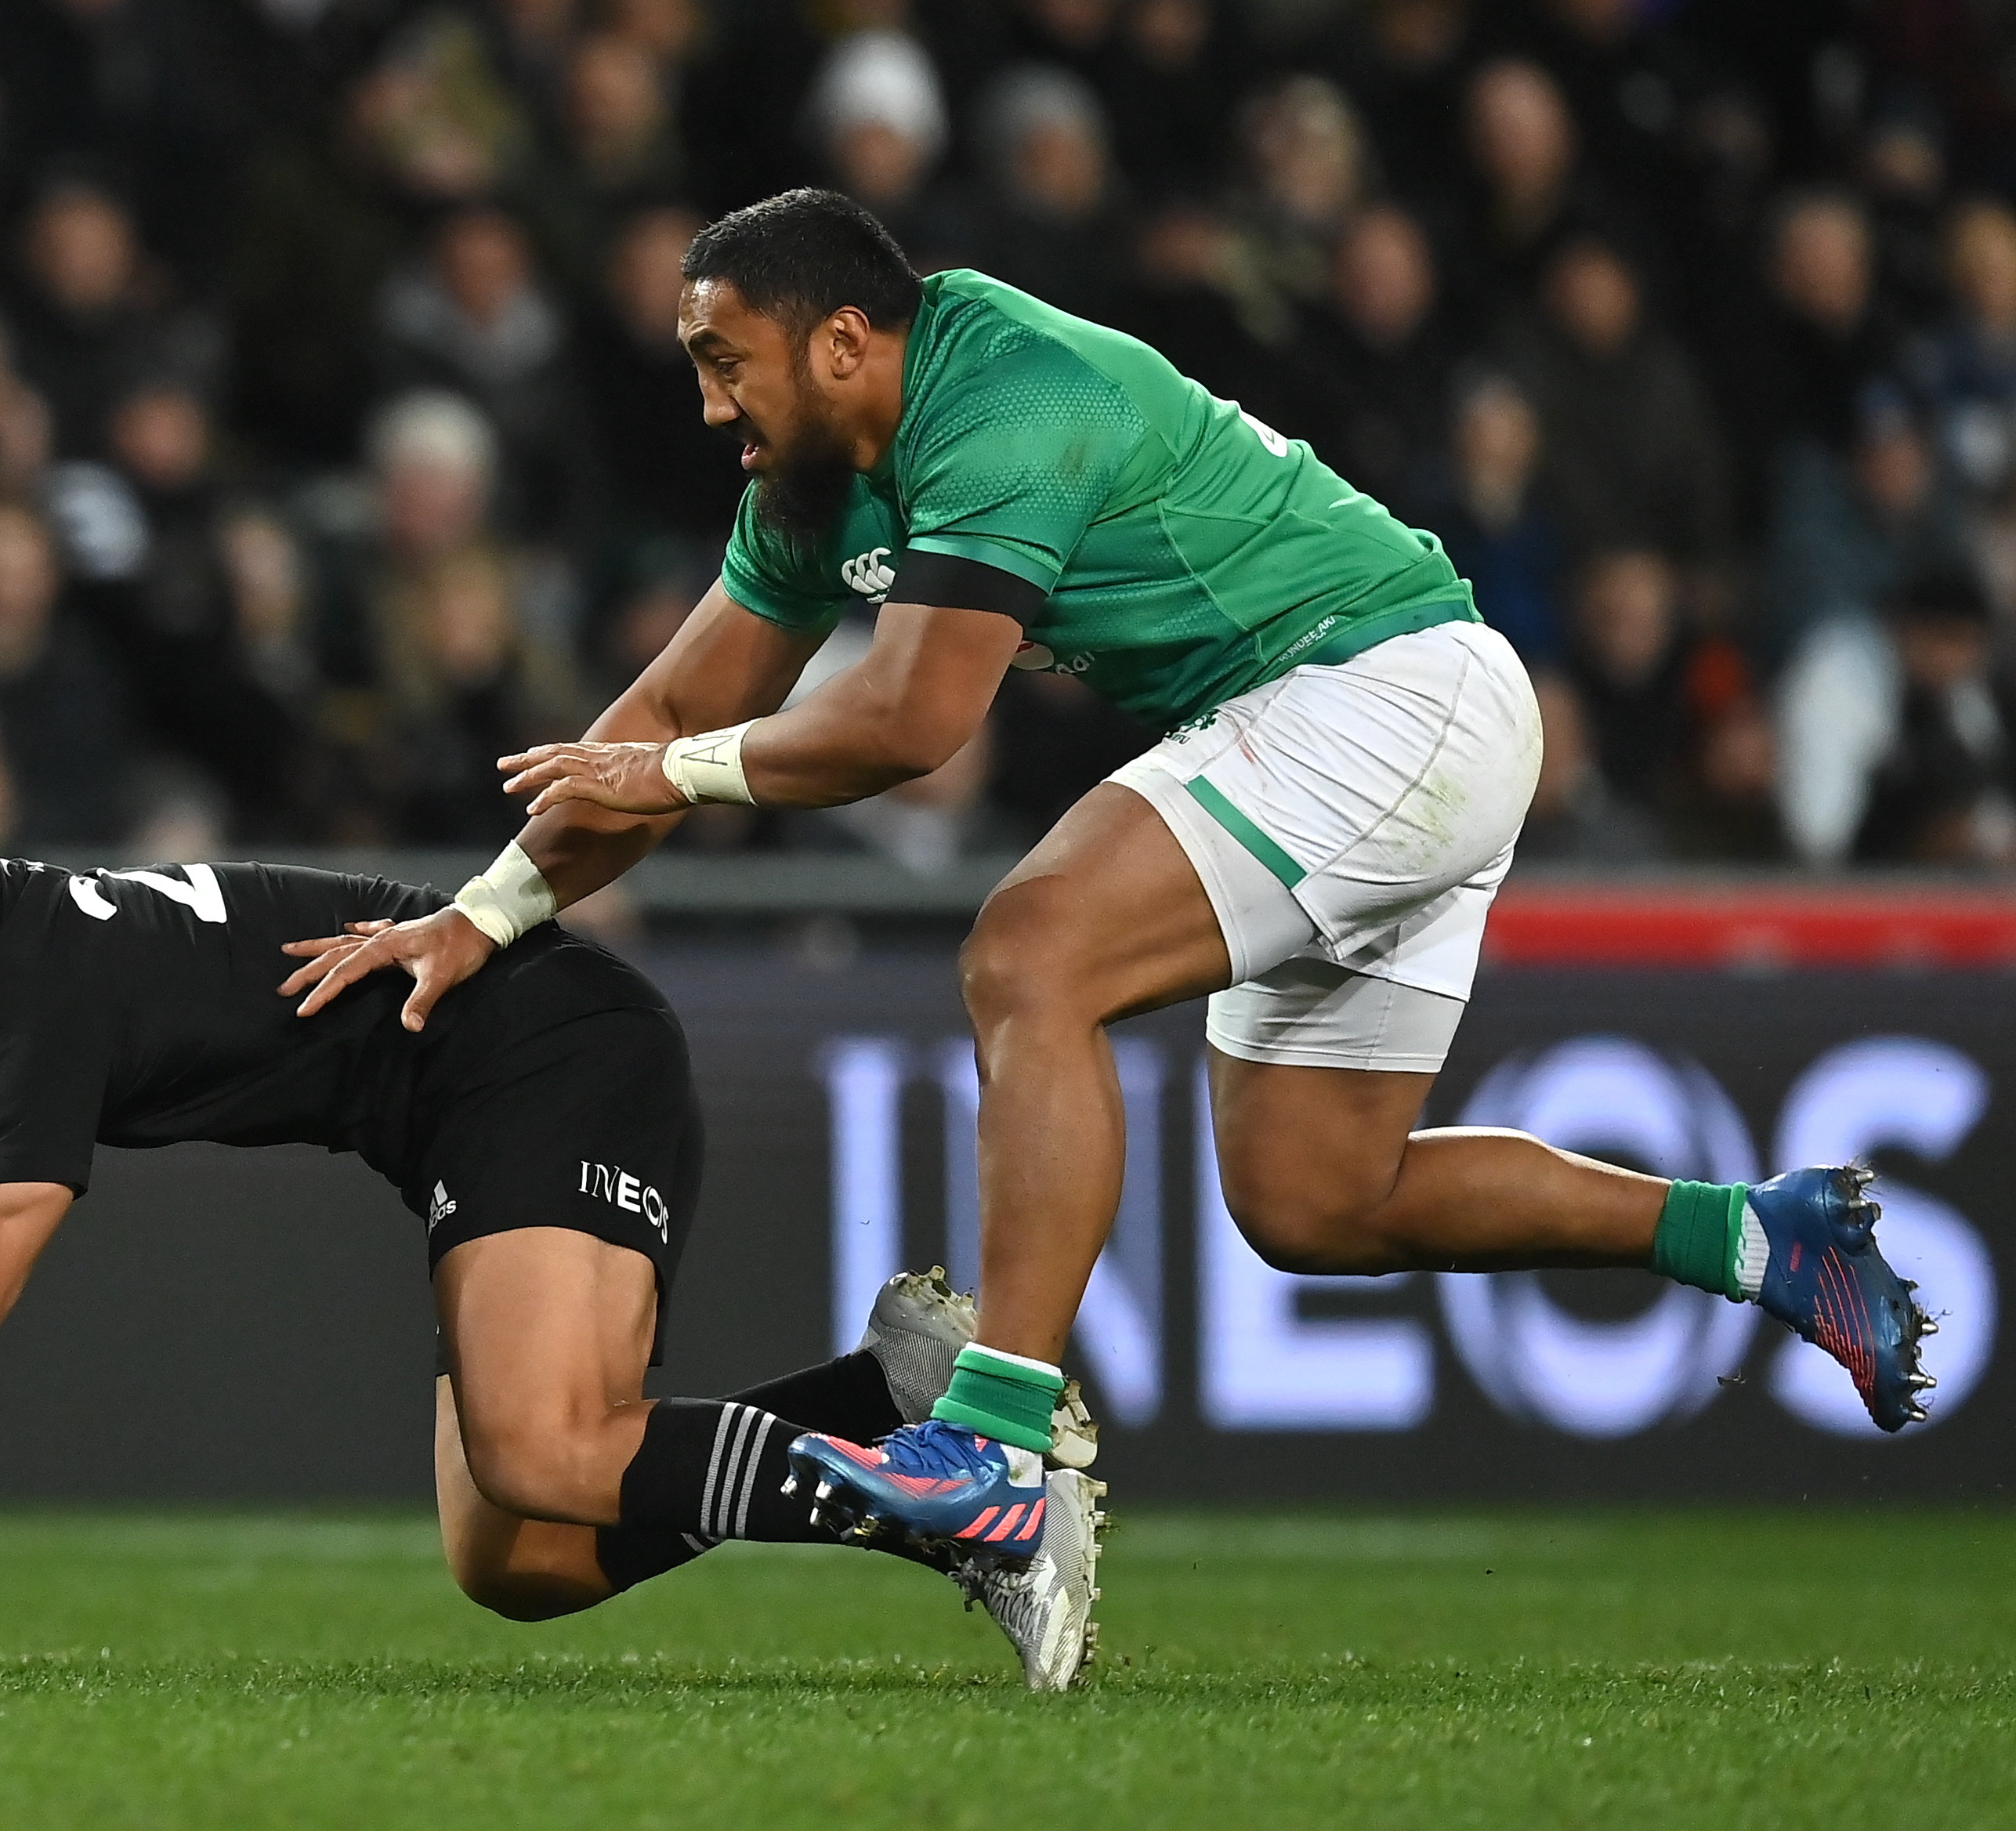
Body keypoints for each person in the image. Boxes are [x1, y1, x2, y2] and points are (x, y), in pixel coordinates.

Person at [282, 190, 1938, 1567]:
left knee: (1033, 952)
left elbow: (915, 720)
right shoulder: (808, 481)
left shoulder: (1003, 397)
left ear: (845, 339)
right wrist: (488, 907)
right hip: (1366, 722)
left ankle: (989, 1442)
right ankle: (1758, 1236)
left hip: (1379, 690)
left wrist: (682, 774)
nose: (710, 401)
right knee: (1315, 1200)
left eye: (727, 360)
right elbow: (666, 713)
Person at [0, 760, 1106, 1692]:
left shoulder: (35, 985)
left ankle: (977, 1508)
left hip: (545, 1047)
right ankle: (888, 1399)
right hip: (471, 1094)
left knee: (539, 1443)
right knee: (515, 1553)